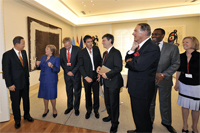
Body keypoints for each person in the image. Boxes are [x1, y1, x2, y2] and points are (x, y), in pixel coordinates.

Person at [125, 23, 160, 133]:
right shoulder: (139, 46)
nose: (133, 33)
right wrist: (132, 49)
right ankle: (139, 129)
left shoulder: (152, 47)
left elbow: (137, 66)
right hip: (135, 87)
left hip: (142, 89)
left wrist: (130, 61)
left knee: (143, 114)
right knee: (138, 113)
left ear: (145, 32)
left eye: (135, 31)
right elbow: (127, 59)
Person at [149, 28, 180, 133]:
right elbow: (144, 63)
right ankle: (149, 122)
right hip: (150, 79)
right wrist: (154, 74)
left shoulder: (172, 48)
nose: (154, 36)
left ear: (163, 35)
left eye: (156, 34)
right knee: (150, 102)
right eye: (153, 34)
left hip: (165, 80)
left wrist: (163, 74)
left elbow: (176, 63)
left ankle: (166, 123)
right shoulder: (148, 46)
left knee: (165, 102)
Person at [2, 36, 34, 129]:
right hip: (14, 85)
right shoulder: (7, 55)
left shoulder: (24, 53)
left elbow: (26, 67)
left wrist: (27, 77)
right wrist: (9, 84)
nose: (24, 45)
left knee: (26, 100)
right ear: (17, 44)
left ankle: (27, 115)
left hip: (25, 83)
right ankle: (17, 120)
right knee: (15, 103)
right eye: (23, 43)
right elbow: (6, 71)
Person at [96, 33, 123, 133]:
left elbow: (118, 68)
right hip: (106, 83)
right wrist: (100, 69)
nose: (102, 42)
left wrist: (107, 75)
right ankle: (110, 116)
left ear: (110, 41)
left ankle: (115, 123)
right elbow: (106, 66)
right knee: (107, 102)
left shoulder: (116, 52)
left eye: (104, 40)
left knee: (114, 104)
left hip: (114, 82)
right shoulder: (105, 53)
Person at [174, 36, 200, 133]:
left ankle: (194, 127)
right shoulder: (180, 56)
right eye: (183, 42)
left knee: (196, 107)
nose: (184, 44)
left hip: (197, 84)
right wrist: (176, 83)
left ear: (193, 43)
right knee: (184, 105)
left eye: (187, 42)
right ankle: (185, 125)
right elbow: (179, 71)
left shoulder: (199, 56)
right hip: (183, 83)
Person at [78, 35, 102, 119]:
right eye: (88, 42)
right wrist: (85, 77)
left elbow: (100, 61)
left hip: (96, 75)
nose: (90, 43)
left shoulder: (96, 49)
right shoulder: (81, 52)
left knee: (96, 94)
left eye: (91, 41)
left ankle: (96, 110)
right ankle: (88, 110)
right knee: (87, 94)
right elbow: (80, 66)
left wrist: (100, 73)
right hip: (87, 76)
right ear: (84, 43)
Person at [36, 45, 60, 118]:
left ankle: (54, 109)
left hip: (51, 80)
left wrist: (52, 66)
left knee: (52, 95)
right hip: (43, 79)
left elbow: (57, 70)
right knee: (44, 95)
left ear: (51, 51)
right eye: (45, 49)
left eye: (47, 49)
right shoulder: (43, 57)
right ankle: (46, 109)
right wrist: (37, 65)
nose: (45, 50)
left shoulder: (56, 58)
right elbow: (40, 68)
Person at [60, 37, 82, 116]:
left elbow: (79, 62)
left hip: (76, 74)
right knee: (68, 91)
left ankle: (76, 108)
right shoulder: (62, 50)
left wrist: (73, 71)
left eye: (68, 46)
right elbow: (62, 62)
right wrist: (67, 71)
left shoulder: (78, 49)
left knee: (77, 91)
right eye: (65, 46)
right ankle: (69, 107)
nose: (67, 48)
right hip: (67, 75)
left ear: (70, 43)